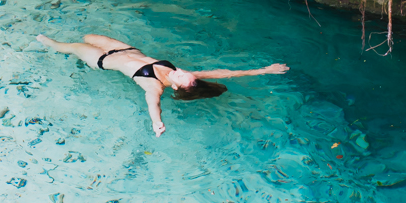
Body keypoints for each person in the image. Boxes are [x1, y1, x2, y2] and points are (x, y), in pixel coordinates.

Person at [36, 33, 289, 137]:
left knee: (67, 46)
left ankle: (45, 42)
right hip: (124, 49)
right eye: (185, 73)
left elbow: (152, 103)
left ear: (177, 88)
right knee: (88, 35)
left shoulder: (155, 86)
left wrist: (156, 122)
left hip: (101, 60)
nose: (181, 72)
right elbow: (224, 73)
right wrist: (263, 70)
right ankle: (69, 48)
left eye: (181, 77)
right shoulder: (183, 75)